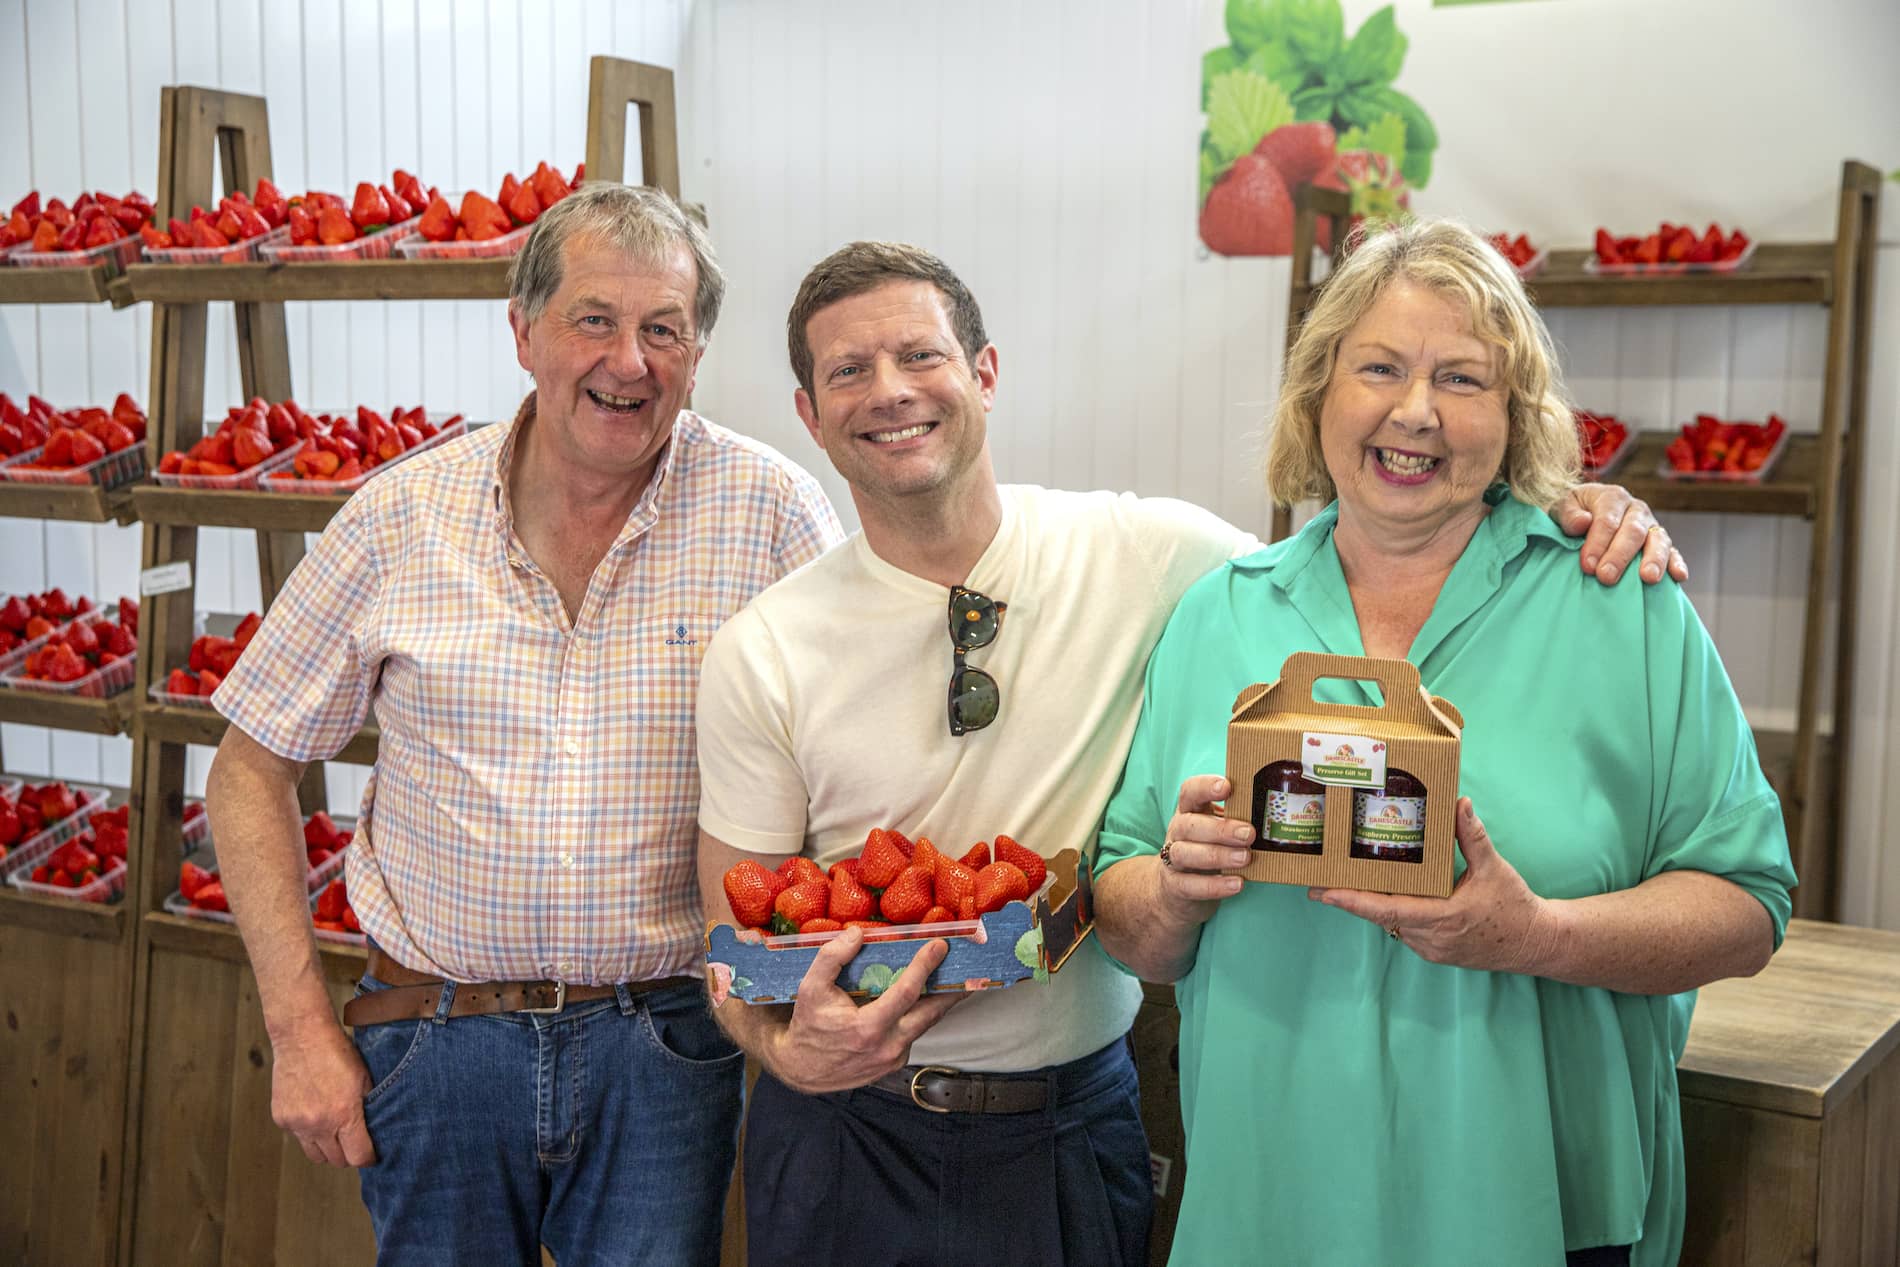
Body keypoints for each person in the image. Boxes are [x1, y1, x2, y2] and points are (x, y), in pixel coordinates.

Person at [692, 240, 1687, 1266]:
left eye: (920, 356)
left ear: (984, 374)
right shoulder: (763, 649)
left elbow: (1380, 533)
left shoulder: (1158, 559)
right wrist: (786, 1050)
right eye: (848, 371)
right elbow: (734, 940)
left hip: (1067, 1125)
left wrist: (1577, 505)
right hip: (846, 1134)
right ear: (809, 413)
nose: (890, 392)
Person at [1090, 218, 1796, 1267]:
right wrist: (1174, 890)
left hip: (1538, 1212)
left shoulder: (1621, 605)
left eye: (1463, 380)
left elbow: (1747, 908)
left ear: (1513, 421)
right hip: (1270, 1211)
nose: (1413, 412)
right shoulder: (1219, 614)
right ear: (1318, 391)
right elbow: (1125, 916)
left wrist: (1536, 935)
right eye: (1378, 367)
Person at [204, 183, 843, 1266]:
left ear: (697, 350)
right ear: (523, 330)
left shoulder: (773, 513)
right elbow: (247, 767)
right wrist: (300, 1029)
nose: (628, 361)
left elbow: (851, 764)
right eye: (593, 319)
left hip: (664, 1042)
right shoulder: (401, 516)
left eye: (663, 330)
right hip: (434, 1038)